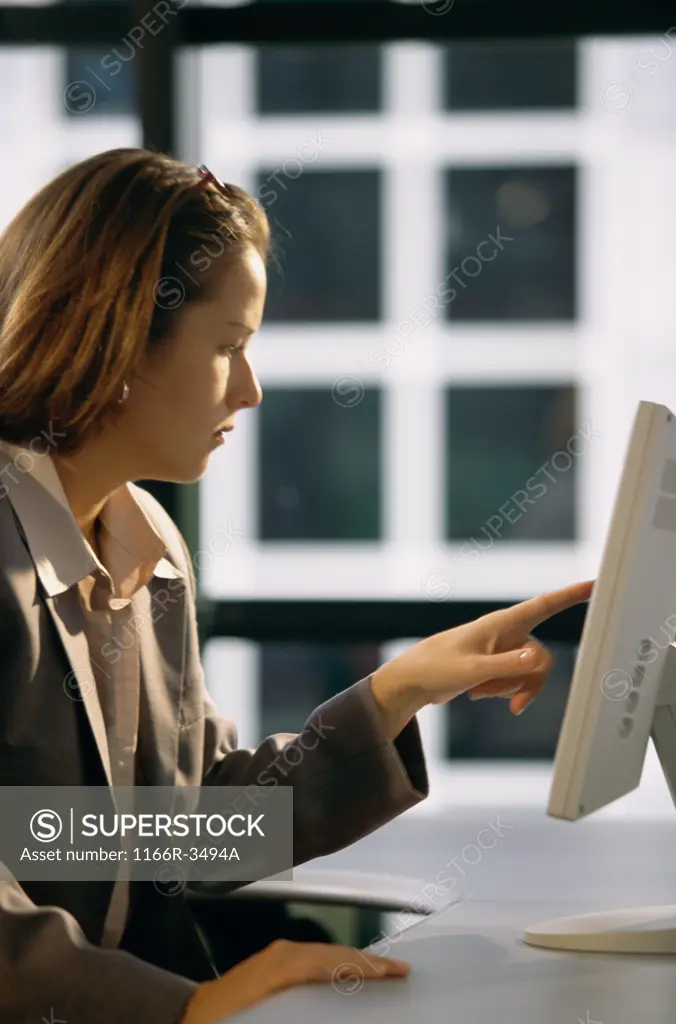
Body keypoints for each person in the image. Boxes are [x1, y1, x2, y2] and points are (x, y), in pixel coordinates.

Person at [0, 148, 594, 1024]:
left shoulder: (146, 548)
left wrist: (396, 693)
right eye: (229, 347)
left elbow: (183, 832)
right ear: (122, 337)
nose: (252, 389)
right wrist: (186, 1008)